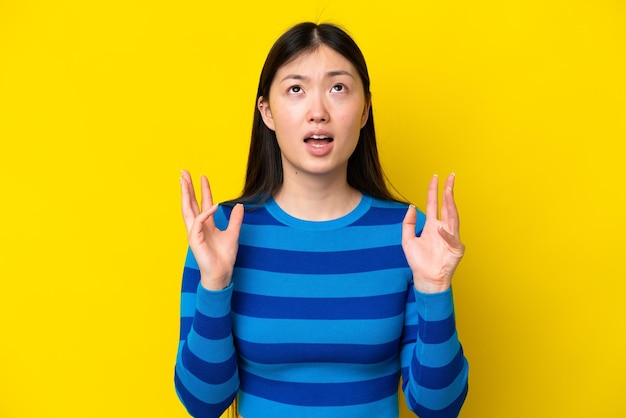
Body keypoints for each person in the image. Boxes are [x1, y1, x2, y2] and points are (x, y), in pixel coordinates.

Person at [174, 22, 469, 418]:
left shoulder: (410, 235)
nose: (318, 113)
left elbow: (439, 407)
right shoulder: (223, 231)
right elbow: (203, 403)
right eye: (296, 89)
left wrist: (435, 289)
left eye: (338, 88)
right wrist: (214, 283)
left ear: (364, 110)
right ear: (267, 112)